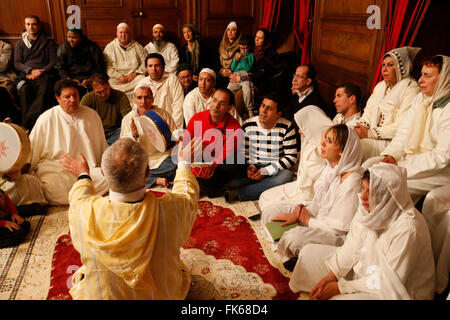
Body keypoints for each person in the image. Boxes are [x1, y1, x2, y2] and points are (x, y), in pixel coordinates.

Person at [61, 137, 200, 300]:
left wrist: (83, 175)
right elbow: (187, 195)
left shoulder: (84, 212)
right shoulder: (173, 209)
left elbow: (79, 196)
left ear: (103, 173)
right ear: (148, 172)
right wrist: (183, 163)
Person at [290, 164, 435, 300]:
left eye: (370, 191)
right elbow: (351, 247)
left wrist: (341, 288)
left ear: (386, 195)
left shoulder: (408, 228)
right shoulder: (368, 208)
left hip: (395, 291)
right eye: (363, 188)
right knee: (308, 254)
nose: (363, 196)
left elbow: (388, 282)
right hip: (366, 273)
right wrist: (331, 277)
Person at [262, 124, 362, 271]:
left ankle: (306, 257)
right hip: (315, 219)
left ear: (342, 151)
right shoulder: (331, 169)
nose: (322, 143)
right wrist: (297, 214)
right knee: (270, 212)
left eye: (329, 141)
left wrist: (307, 221)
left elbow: (339, 229)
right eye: (325, 139)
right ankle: (299, 254)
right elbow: (316, 205)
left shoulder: (351, 182)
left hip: (334, 235)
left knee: (293, 238)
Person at [377, 55, 450, 203]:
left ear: (444, 79)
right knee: (371, 167)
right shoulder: (420, 99)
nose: (420, 80)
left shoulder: (447, 109)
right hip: (413, 160)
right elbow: (404, 132)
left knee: (393, 185)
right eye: (421, 74)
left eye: (427, 76)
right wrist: (392, 155)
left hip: (442, 171)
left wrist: (403, 167)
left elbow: (442, 157)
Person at [28, 79, 108, 205]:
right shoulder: (46, 118)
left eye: (75, 95)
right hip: (57, 169)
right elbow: (33, 149)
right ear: (58, 98)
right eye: (67, 97)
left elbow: (102, 147)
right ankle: (83, 195)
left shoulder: (91, 115)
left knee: (109, 178)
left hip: (87, 168)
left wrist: (104, 166)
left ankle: (78, 195)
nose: (73, 100)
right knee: (52, 189)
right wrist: (28, 171)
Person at [224, 93, 298, 202]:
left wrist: (267, 171)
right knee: (232, 180)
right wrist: (250, 167)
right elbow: (244, 152)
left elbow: (291, 157)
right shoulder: (248, 125)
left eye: (269, 108)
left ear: (278, 114)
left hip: (275, 169)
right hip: (254, 166)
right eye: (263, 106)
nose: (263, 111)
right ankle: (261, 186)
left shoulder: (287, 127)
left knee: (287, 176)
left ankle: (241, 193)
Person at [259, 105, 333, 211]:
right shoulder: (309, 143)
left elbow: (318, 181)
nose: (299, 131)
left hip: (311, 194)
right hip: (298, 185)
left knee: (271, 205)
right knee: (265, 196)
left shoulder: (323, 149)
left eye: (302, 127)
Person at [355, 46, 421, 161]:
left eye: (390, 65)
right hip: (370, 135)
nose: (384, 69)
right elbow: (368, 111)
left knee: (353, 148)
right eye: (383, 65)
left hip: (390, 142)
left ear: (403, 67)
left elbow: (401, 125)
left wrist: (370, 133)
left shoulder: (411, 89)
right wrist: (361, 128)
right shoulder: (381, 86)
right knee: (342, 137)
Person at [183, 88, 243, 198]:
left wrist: (209, 168)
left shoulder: (235, 128)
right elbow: (186, 145)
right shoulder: (197, 118)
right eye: (214, 101)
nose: (216, 106)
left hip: (218, 165)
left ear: (229, 108)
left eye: (222, 103)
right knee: (175, 160)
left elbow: (223, 156)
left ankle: (203, 185)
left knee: (235, 162)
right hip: (199, 159)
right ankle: (207, 185)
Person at [120, 84, 177, 188]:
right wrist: (134, 135)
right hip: (140, 161)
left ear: (152, 99)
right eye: (139, 98)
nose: (143, 101)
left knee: (176, 165)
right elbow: (124, 148)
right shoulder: (128, 119)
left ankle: (146, 178)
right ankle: (155, 180)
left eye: (147, 97)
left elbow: (174, 141)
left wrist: (169, 135)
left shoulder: (163, 114)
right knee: (124, 170)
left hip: (162, 159)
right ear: (135, 100)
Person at [14, 14, 58, 130]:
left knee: (44, 89)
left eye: (33, 24)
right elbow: (17, 63)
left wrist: (40, 71)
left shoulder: (48, 43)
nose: (31, 27)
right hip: (26, 74)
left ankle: (31, 121)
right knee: (24, 90)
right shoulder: (20, 44)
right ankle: (26, 125)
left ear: (38, 26)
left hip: (44, 74)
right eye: (28, 24)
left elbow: (53, 62)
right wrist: (30, 71)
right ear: (25, 26)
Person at [229, 28, 279, 117]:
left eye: (260, 38)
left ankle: (241, 120)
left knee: (240, 95)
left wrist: (241, 78)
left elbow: (260, 75)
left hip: (261, 83)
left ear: (266, 40)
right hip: (247, 77)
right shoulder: (251, 49)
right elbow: (236, 67)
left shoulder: (269, 55)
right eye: (256, 36)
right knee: (230, 90)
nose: (256, 39)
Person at [136, 53, 185, 129]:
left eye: (157, 65)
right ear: (146, 68)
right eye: (150, 66)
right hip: (148, 126)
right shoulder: (142, 83)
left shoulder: (172, 79)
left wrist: (174, 132)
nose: (153, 69)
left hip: (169, 125)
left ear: (163, 67)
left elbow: (178, 108)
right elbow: (137, 107)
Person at [80, 73, 131, 145]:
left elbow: (127, 117)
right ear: (93, 91)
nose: (103, 94)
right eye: (99, 92)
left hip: (116, 131)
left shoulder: (120, 96)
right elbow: (80, 118)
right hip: (96, 133)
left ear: (108, 85)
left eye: (105, 90)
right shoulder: (88, 98)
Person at [56, 27, 106, 97]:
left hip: (90, 77)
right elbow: (60, 67)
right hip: (71, 78)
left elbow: (99, 65)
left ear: (81, 37)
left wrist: (90, 79)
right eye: (69, 37)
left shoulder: (92, 46)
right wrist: (68, 79)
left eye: (74, 37)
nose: (71, 40)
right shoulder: (63, 48)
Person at [103, 23, 147, 103]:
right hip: (118, 79)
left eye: (125, 32)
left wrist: (135, 74)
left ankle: (136, 101)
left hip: (134, 77)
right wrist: (118, 76)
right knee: (110, 83)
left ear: (129, 34)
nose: (123, 35)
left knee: (143, 80)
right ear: (117, 33)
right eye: (121, 32)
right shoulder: (110, 47)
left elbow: (145, 62)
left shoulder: (137, 46)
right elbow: (107, 66)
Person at [227, 35, 256, 117]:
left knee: (247, 90)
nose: (243, 50)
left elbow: (248, 68)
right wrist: (236, 60)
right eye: (241, 48)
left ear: (249, 47)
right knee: (228, 90)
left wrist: (243, 59)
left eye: (245, 48)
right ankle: (228, 109)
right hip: (236, 75)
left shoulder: (251, 56)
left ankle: (249, 109)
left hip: (245, 75)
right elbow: (232, 68)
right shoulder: (237, 54)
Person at [0, 40, 19, 123]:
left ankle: (9, 119)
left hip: (3, 78)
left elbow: (2, 65)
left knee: (5, 91)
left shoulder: (5, 47)